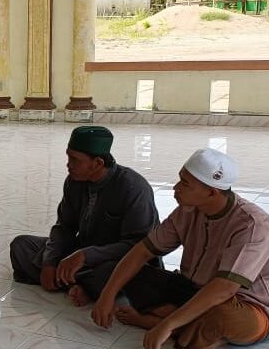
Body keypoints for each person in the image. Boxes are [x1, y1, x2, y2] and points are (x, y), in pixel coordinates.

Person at [91, 148, 269, 349]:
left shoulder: (252, 226)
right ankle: (187, 325)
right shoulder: (188, 210)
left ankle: (168, 322)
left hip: (247, 306)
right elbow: (142, 252)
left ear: (212, 192)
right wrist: (108, 295)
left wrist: (168, 324)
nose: (176, 188)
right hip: (194, 290)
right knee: (111, 271)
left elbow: (225, 288)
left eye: (185, 184)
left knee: (222, 316)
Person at [10, 126, 160, 306]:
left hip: (118, 260)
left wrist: (87, 255)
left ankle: (86, 285)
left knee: (121, 272)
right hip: (82, 253)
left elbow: (138, 246)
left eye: (74, 159)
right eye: (68, 157)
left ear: (97, 163)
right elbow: (64, 226)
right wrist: (50, 261)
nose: (68, 164)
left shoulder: (133, 188)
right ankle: (83, 286)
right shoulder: (74, 181)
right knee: (21, 246)